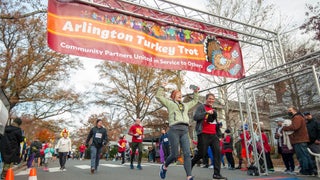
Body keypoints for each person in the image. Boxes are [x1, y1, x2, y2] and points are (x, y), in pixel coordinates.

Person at [156, 83, 199, 180]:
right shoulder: (170, 103)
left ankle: (189, 176)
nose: (180, 95)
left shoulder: (185, 105)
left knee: (187, 154)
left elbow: (195, 100)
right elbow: (158, 96)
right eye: (177, 93)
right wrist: (162, 87)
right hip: (174, 130)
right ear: (173, 96)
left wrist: (196, 92)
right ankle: (164, 166)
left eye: (181, 93)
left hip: (184, 130)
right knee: (175, 154)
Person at [191, 93, 226, 180]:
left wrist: (219, 132)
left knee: (217, 153)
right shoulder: (201, 107)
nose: (211, 100)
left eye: (213, 99)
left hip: (213, 135)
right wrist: (206, 112)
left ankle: (216, 174)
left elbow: (214, 122)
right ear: (206, 99)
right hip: (203, 133)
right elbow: (195, 117)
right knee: (201, 153)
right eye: (209, 99)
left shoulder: (214, 110)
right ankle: (190, 164)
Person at [282, 106, 314, 176]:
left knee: (302, 156)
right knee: (305, 155)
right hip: (300, 139)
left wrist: (285, 128)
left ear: (294, 110)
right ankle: (310, 170)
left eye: (290, 110)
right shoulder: (298, 117)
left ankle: (305, 170)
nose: (289, 112)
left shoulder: (297, 117)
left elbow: (295, 127)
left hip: (300, 139)